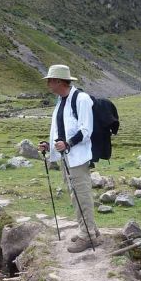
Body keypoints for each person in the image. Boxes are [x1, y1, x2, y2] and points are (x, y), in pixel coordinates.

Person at [38, 64, 101, 253]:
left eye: (50, 80)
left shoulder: (81, 99)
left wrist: (68, 144)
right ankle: (89, 231)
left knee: (82, 195)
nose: (48, 84)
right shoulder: (61, 100)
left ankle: (88, 236)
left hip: (78, 157)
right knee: (75, 195)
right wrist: (49, 146)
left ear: (59, 81)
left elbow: (86, 130)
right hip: (66, 157)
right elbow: (61, 129)